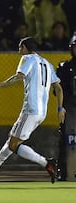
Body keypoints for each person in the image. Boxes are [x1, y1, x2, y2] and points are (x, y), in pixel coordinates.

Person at [0, 37, 65, 184]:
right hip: (41, 112)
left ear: (25, 47)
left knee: (13, 144)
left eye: (19, 47)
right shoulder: (47, 63)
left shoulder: (27, 58)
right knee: (12, 138)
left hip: (30, 110)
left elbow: (19, 76)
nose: (18, 51)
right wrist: (60, 108)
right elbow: (59, 87)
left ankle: (46, 163)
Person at [54, 33, 76, 181]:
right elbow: (56, 90)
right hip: (70, 107)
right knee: (67, 139)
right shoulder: (65, 67)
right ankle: (63, 170)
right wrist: (61, 107)